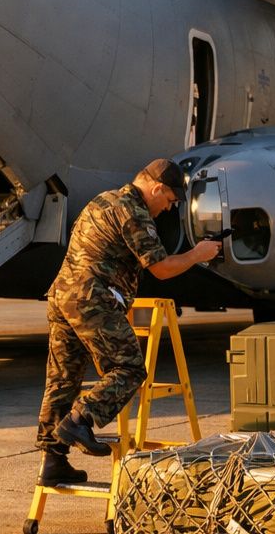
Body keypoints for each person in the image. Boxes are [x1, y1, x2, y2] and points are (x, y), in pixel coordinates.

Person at [36, 158, 222, 485]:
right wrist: (198, 254)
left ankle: (53, 462)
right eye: (169, 201)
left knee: (63, 378)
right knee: (130, 368)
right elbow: (161, 269)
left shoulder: (102, 201)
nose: (167, 209)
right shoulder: (134, 212)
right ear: (157, 188)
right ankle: (81, 419)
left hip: (62, 296)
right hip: (93, 298)